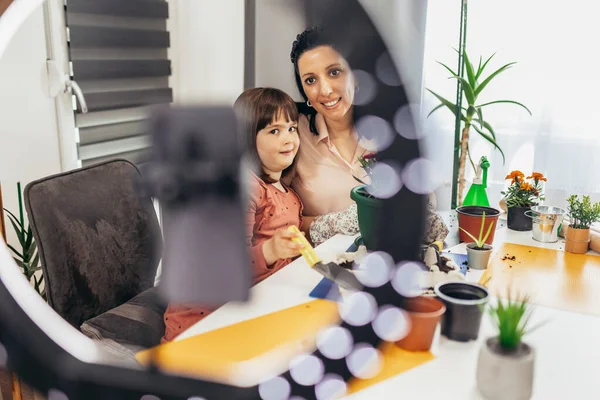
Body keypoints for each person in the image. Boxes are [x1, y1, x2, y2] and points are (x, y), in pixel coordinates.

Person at [161, 87, 305, 342]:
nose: (289, 139)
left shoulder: (285, 190)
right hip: (205, 319)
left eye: (292, 128)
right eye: (274, 131)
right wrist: (270, 250)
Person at [288, 26, 448, 247]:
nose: (324, 90)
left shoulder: (390, 126)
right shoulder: (293, 135)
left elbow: (423, 198)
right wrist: (333, 223)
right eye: (310, 80)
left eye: (334, 72)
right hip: (321, 268)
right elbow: (279, 219)